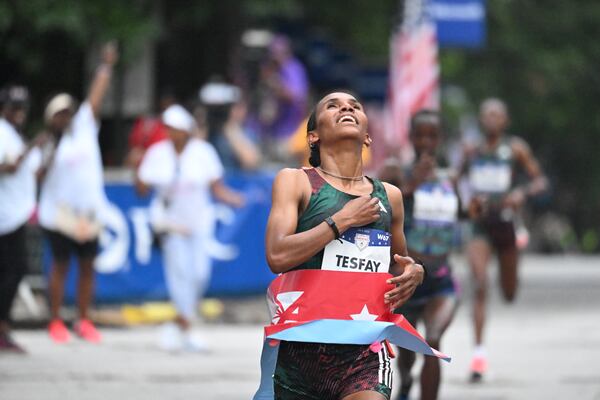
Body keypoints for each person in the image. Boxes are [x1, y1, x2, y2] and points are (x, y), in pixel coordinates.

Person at [264, 91, 425, 400]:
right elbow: (276, 254)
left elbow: (399, 266)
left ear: (367, 136)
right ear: (313, 136)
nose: (346, 108)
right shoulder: (295, 182)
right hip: (301, 352)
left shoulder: (389, 196)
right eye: (333, 106)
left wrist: (416, 272)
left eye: (355, 106)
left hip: (365, 353)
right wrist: (340, 221)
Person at [137, 104, 244, 352]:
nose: (173, 133)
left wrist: (235, 199)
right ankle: (186, 327)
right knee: (180, 275)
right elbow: (141, 189)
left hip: (198, 222)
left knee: (199, 273)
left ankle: (178, 324)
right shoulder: (157, 153)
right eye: (169, 129)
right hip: (170, 224)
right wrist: (138, 168)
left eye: (177, 129)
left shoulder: (203, 152)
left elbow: (217, 187)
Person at [460, 98, 547, 381]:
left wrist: (522, 193)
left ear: (505, 121)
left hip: (506, 223)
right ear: (481, 120)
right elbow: (454, 178)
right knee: (479, 282)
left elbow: (539, 181)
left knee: (508, 293)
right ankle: (478, 355)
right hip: (480, 225)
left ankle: (509, 279)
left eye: (497, 115)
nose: (491, 120)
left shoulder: (515, 149)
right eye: (486, 115)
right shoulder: (471, 151)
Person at [38, 43, 118, 344]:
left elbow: (95, 97)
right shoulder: (46, 143)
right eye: (59, 113)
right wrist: (49, 151)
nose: (65, 117)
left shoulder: (83, 129)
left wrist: (106, 66)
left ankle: (83, 319)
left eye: (67, 112)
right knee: (60, 266)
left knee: (87, 267)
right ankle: (55, 320)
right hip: (60, 214)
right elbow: (37, 175)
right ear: (50, 118)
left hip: (89, 211)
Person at [380, 111, 459, 400]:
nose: (426, 142)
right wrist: (411, 184)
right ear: (411, 137)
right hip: (404, 280)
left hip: (441, 279)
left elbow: (461, 212)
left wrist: (473, 210)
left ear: (440, 140)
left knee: (433, 342)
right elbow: (376, 206)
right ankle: (404, 382)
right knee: (408, 351)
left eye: (432, 135)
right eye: (420, 135)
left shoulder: (450, 177)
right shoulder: (395, 170)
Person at [0, 85, 42, 353]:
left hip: (15, 213)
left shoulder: (14, 135)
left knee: (13, 271)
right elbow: (9, 166)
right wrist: (29, 151)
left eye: (22, 108)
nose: (19, 112)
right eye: (14, 107)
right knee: (12, 271)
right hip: (3, 216)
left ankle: (3, 326)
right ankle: (2, 327)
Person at [258, 35, 308, 160]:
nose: (274, 57)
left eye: (277, 53)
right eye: (272, 53)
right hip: (271, 131)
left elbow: (296, 97)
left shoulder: (293, 68)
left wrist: (276, 85)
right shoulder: (272, 69)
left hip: (290, 132)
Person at [199, 81, 261, 170]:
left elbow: (251, 162)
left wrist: (229, 127)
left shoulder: (246, 133)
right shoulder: (206, 129)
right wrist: (203, 123)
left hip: (235, 180)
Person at [124, 90, 176, 169]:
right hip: (149, 161)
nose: (166, 105)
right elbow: (135, 147)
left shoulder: (176, 126)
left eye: (169, 103)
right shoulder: (147, 122)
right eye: (164, 102)